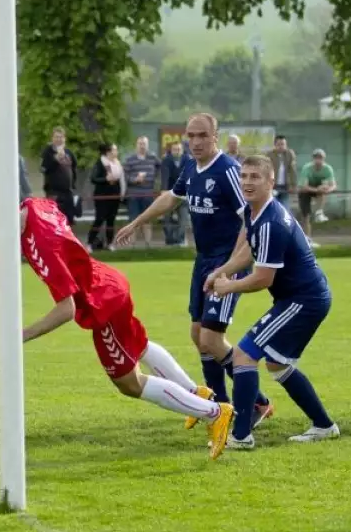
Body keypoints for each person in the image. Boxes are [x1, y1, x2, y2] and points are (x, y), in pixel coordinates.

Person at [0, 189, 234, 460]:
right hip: (109, 282)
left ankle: (214, 412)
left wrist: (21, 335)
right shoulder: (36, 206)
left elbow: (66, 309)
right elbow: (49, 240)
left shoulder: (42, 246)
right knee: (138, 347)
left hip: (101, 304)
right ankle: (195, 393)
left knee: (130, 384)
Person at [115, 113, 273, 430]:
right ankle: (216, 405)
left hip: (226, 262)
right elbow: (170, 199)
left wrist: (231, 267)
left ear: (215, 136)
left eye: (202, 135)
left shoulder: (228, 171)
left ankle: (257, 402)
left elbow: (251, 218)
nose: (196, 141)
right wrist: (137, 222)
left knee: (212, 339)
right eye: (191, 135)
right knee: (197, 336)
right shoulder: (189, 166)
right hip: (203, 261)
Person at [204, 155, 339, 449]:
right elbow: (249, 254)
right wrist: (220, 272)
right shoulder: (254, 213)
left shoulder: (271, 221)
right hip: (302, 297)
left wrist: (228, 287)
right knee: (277, 364)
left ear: (270, 182)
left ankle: (241, 436)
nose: (248, 182)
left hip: (304, 299)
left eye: (255, 177)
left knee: (243, 354)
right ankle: (324, 425)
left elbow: (263, 278)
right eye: (244, 176)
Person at [122, 136, 161, 247]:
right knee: (133, 220)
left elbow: (161, 168)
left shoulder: (153, 158)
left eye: (144, 143)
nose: (142, 146)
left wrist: (155, 179)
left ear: (147, 145)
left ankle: (148, 245)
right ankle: (133, 245)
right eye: (140, 143)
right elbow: (125, 176)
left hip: (148, 193)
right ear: (136, 145)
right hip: (134, 194)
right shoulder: (130, 159)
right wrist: (135, 180)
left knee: (147, 219)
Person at [87, 142, 124, 251]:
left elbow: (121, 179)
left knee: (111, 220)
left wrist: (121, 193)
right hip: (102, 196)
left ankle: (110, 243)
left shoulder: (118, 163)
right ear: (108, 152)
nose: (116, 152)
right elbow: (93, 178)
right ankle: (89, 243)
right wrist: (105, 179)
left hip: (115, 196)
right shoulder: (100, 163)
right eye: (114, 150)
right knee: (99, 219)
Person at [297, 148, 336, 246]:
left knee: (324, 187)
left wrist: (327, 190)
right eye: (316, 158)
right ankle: (307, 240)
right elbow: (304, 186)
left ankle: (319, 212)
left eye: (321, 158)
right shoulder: (307, 168)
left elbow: (333, 185)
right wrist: (317, 190)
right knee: (306, 217)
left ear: (324, 159)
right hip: (305, 191)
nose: (318, 160)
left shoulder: (327, 169)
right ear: (313, 159)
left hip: (319, 190)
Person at [267, 135, 296, 207]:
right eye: (279, 144)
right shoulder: (270, 155)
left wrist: (293, 185)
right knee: (273, 207)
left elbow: (292, 170)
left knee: (285, 207)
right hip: (273, 186)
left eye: (283, 144)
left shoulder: (290, 154)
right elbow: (266, 170)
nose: (281, 146)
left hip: (285, 186)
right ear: (275, 145)